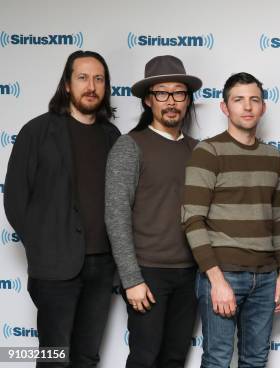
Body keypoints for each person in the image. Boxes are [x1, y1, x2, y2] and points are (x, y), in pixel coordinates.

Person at [4, 50, 120, 367]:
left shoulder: (113, 137)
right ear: (67, 85)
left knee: (86, 355)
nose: (91, 86)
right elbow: (14, 198)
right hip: (55, 268)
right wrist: (44, 246)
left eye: (99, 78)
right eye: (82, 77)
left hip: (101, 266)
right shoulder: (37, 132)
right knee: (55, 356)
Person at [181, 72, 280, 367]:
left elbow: (279, 218)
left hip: (266, 278)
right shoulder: (208, 152)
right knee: (217, 359)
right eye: (239, 100)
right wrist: (216, 280)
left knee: (255, 360)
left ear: (263, 107)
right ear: (225, 108)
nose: (248, 107)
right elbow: (192, 220)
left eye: (255, 100)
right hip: (223, 274)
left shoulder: (274, 157)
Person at [105, 55, 202, 368]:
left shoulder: (198, 150)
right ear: (148, 100)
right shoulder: (129, 145)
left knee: (175, 359)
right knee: (145, 358)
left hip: (189, 274)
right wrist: (131, 279)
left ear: (187, 100)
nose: (171, 101)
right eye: (162, 93)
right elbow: (116, 215)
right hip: (148, 273)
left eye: (178, 93)